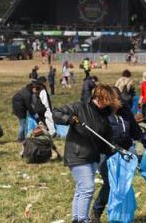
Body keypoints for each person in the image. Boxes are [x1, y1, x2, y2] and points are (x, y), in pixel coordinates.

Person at [51, 84, 115, 223]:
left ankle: (77, 218)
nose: (107, 104)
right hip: (78, 154)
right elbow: (55, 113)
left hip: (93, 155)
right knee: (87, 188)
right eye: (106, 100)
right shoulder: (80, 107)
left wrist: (112, 149)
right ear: (98, 98)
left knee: (81, 189)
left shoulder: (104, 114)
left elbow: (105, 136)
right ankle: (83, 220)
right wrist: (69, 120)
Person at [91, 87, 146, 220]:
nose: (120, 100)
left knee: (123, 183)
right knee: (110, 183)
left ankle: (121, 214)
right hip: (106, 154)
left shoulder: (126, 112)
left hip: (124, 153)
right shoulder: (102, 114)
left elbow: (135, 131)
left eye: (119, 97)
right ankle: (96, 212)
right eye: (117, 98)